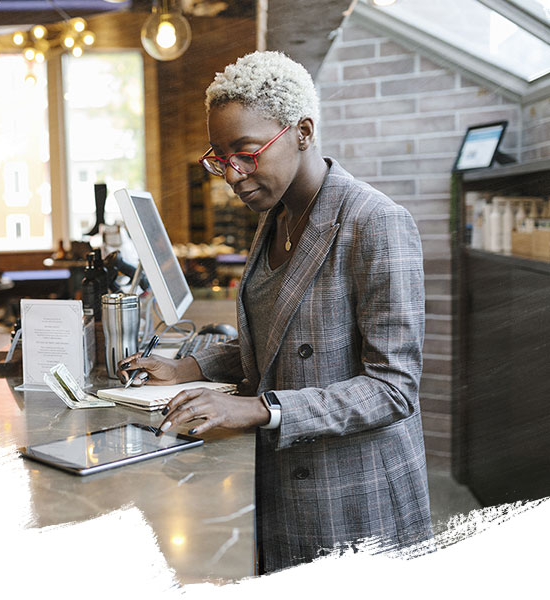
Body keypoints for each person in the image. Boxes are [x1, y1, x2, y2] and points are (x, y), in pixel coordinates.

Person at [117, 51, 433, 572]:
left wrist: (261, 409)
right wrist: (187, 368)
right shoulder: (276, 216)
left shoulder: (375, 222)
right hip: (283, 484)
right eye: (220, 159)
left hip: (353, 503)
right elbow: (274, 334)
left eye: (246, 153)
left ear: (303, 131)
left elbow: (393, 389)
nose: (232, 176)